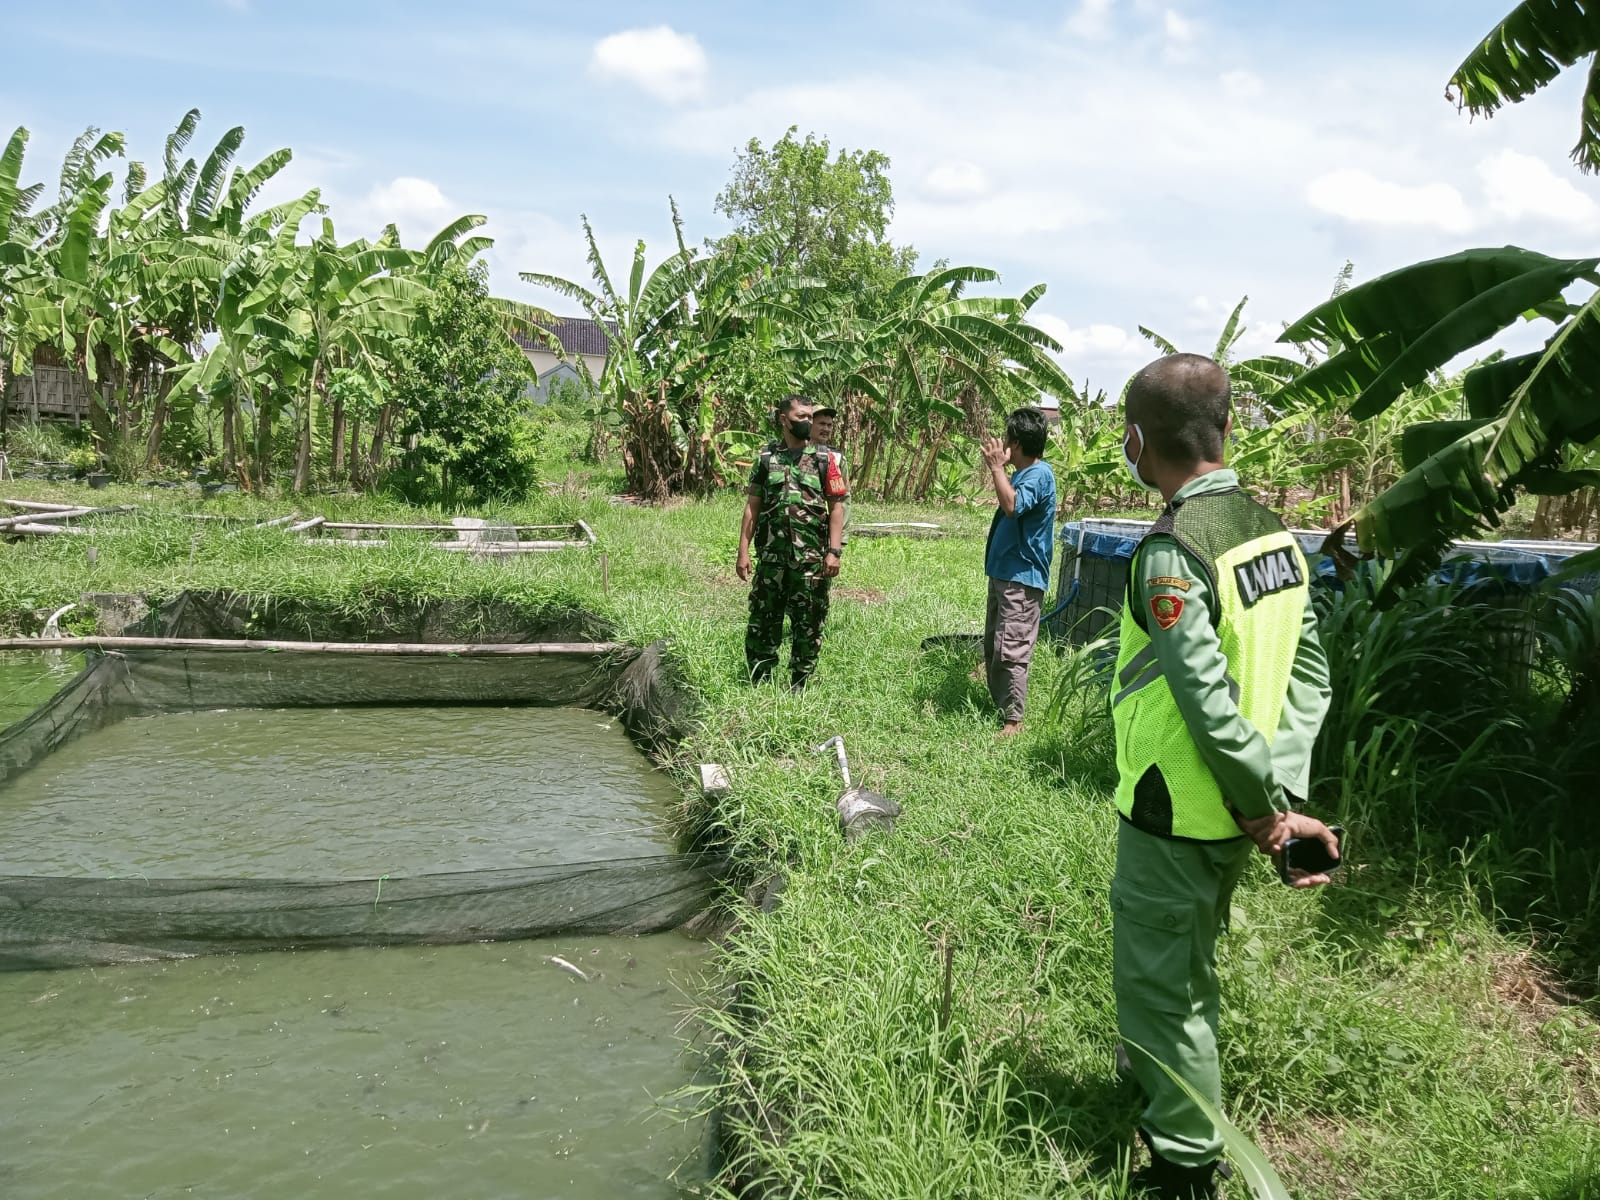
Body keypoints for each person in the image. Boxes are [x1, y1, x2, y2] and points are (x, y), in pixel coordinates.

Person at [1109, 354, 1336, 1200]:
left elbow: (1205, 700)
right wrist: (1282, 793)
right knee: (1190, 965)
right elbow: (1310, 671)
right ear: (1227, 429)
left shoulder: (1173, 552)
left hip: (1182, 806)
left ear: (1137, 441)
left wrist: (1256, 808)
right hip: (1243, 805)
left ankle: (1183, 1163)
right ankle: (1174, 1098)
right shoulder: (1273, 532)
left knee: (1166, 990)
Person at [737, 394, 848, 690]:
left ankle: (799, 685)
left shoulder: (825, 460)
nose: (808, 422)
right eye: (801, 417)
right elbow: (753, 507)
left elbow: (837, 507)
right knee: (763, 623)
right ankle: (760, 683)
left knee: (808, 626)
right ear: (784, 420)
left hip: (811, 561)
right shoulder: (766, 459)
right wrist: (743, 551)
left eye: (810, 417)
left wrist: (834, 552)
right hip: (772, 559)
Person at [979, 407, 1057, 736]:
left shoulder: (1040, 475)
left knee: (1012, 647)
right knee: (996, 643)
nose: (1002, 444)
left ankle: (1014, 721)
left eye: (1007, 438)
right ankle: (1000, 704)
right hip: (1005, 574)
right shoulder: (1025, 473)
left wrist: (997, 468)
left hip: (1022, 578)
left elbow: (1012, 507)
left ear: (1018, 444)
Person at [809, 406, 850, 551]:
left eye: (829, 425)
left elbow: (843, 501)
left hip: (818, 537)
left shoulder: (836, 458)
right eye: (821, 424)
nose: (826, 429)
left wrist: (839, 541)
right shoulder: (791, 453)